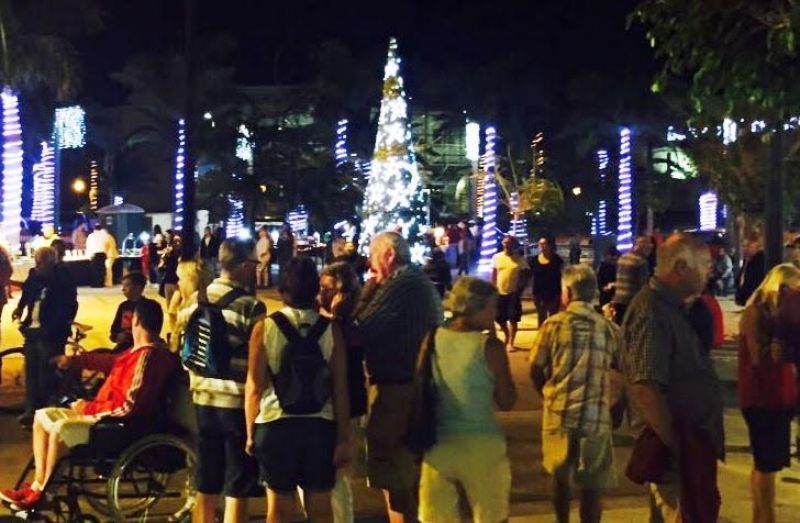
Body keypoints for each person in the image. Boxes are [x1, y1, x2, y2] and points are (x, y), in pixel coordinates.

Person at [0, 300, 177, 510]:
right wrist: (76, 361)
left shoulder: (148, 357)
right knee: (41, 417)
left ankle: (44, 493)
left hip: (115, 425)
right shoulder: (136, 352)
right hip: (103, 414)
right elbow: (110, 361)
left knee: (60, 429)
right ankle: (38, 485)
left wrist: (87, 408)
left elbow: (128, 406)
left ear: (136, 321)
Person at [620, 234, 723, 523]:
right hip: (674, 452)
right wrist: (679, 446)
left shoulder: (672, 308)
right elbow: (646, 387)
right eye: (704, 264)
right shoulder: (652, 311)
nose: (709, 271)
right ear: (680, 267)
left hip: (685, 445)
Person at [244, 257, 351, 523]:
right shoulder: (331, 330)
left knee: (279, 510)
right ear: (315, 289)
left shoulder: (264, 328)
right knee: (321, 509)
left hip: (275, 425)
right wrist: (343, 438)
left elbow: (254, 386)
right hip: (320, 426)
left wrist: (250, 433)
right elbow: (340, 388)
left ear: (282, 291)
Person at [353, 232, 442, 523]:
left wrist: (365, 292)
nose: (370, 262)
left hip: (398, 390)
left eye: (373, 254)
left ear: (389, 255)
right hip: (411, 386)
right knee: (402, 477)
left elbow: (360, 328)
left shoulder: (401, 284)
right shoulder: (414, 281)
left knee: (395, 475)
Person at [179, 238, 266, 523]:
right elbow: (257, 367)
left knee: (207, 480)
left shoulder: (196, 300)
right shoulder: (251, 308)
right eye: (253, 263)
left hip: (202, 400)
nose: (256, 268)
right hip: (235, 404)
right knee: (236, 484)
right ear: (242, 266)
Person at [418, 277, 516, 523]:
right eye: (492, 307)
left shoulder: (431, 339)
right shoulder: (489, 347)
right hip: (482, 446)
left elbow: (419, 384)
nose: (495, 312)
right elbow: (507, 400)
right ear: (478, 307)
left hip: (438, 445)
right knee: (491, 516)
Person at [531, 265, 619, 523]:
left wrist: (547, 395)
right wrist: (617, 405)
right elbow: (622, 371)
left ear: (567, 292)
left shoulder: (552, 326)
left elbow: (535, 368)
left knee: (560, 479)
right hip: (595, 415)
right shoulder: (608, 328)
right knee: (592, 485)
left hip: (559, 413)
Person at [737, 264, 800, 523]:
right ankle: (766, 516)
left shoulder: (778, 317)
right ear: (780, 287)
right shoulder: (757, 313)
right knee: (766, 463)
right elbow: (758, 358)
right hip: (761, 397)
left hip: (778, 396)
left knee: (767, 464)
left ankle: (760, 517)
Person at [319, 262, 366, 523]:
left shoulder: (352, 324)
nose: (321, 294)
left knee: (339, 479)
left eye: (327, 289)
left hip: (349, 407)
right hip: (324, 405)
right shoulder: (325, 320)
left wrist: (334, 316)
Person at [12, 247, 78, 427]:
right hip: (32, 330)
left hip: (50, 333)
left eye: (41, 263)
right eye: (37, 262)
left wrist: (54, 329)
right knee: (31, 372)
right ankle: (31, 408)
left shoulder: (63, 279)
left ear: (51, 263)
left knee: (45, 374)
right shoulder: (35, 276)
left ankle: (44, 412)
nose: (37, 266)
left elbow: (67, 307)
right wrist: (19, 308)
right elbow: (27, 293)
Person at [492, 235, 528, 350]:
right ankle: (506, 336)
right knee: (499, 318)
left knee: (513, 317)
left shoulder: (519, 259)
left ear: (513, 245)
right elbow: (494, 274)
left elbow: (526, 273)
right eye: (505, 243)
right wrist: (492, 289)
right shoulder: (497, 257)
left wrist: (520, 288)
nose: (507, 245)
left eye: (509, 243)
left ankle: (511, 342)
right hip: (499, 292)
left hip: (513, 292)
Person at [611, 235, 653, 325]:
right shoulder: (641, 262)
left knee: (619, 325)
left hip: (619, 298)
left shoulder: (622, 258)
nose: (649, 252)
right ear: (643, 248)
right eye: (648, 249)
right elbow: (643, 285)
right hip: (632, 301)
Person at [168, 260, 207, 352]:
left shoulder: (192, 309)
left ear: (188, 281)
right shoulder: (197, 301)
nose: (178, 283)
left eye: (180, 279)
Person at [109, 272, 152, 352]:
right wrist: (117, 336)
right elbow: (114, 329)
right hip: (124, 347)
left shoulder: (149, 306)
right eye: (123, 286)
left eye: (127, 285)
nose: (123, 289)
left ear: (138, 288)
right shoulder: (123, 306)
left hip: (141, 347)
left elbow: (152, 331)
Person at [530, 236, 564, 328]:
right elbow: (530, 276)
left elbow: (562, 276)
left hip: (554, 292)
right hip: (539, 293)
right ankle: (542, 336)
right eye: (540, 244)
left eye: (545, 244)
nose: (542, 246)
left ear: (549, 245)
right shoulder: (533, 260)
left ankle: (552, 337)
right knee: (541, 316)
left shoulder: (557, 260)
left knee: (553, 316)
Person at [736, 237, 766, 306]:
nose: (744, 249)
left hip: (755, 301)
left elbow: (755, 282)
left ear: (757, 247)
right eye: (743, 246)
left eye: (748, 246)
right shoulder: (747, 260)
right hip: (747, 301)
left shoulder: (760, 262)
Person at [86, 223, 116, 288]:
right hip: (105, 254)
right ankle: (107, 283)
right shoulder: (107, 235)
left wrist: (89, 256)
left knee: (98, 270)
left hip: (97, 255)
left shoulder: (91, 236)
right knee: (107, 269)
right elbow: (111, 245)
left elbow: (89, 246)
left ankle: (100, 283)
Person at [159, 232, 181, 306]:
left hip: (177, 283)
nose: (177, 243)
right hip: (168, 281)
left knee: (177, 305)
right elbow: (161, 267)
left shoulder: (182, 254)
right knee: (169, 305)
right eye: (175, 242)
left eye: (178, 242)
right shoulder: (168, 253)